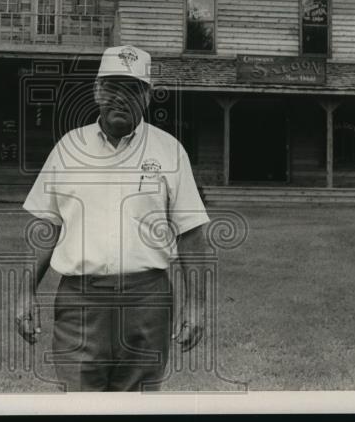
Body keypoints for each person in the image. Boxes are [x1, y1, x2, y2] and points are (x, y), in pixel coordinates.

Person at [16, 44, 212, 392]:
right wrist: (25, 291)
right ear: (96, 91)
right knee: (79, 401)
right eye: (112, 87)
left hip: (146, 300)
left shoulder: (169, 151)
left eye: (133, 89)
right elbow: (47, 228)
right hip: (80, 300)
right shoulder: (68, 148)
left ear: (147, 96)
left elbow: (190, 233)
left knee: (139, 402)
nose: (121, 98)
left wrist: (196, 303)